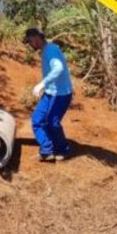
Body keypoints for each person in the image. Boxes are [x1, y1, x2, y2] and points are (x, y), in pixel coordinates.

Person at [24, 27, 74, 161]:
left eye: (29, 41)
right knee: (37, 119)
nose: (29, 44)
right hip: (51, 92)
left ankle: (62, 149)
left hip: (61, 94)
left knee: (52, 122)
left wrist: (42, 83)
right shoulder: (47, 50)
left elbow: (58, 68)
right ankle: (47, 150)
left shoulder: (50, 50)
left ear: (36, 38)